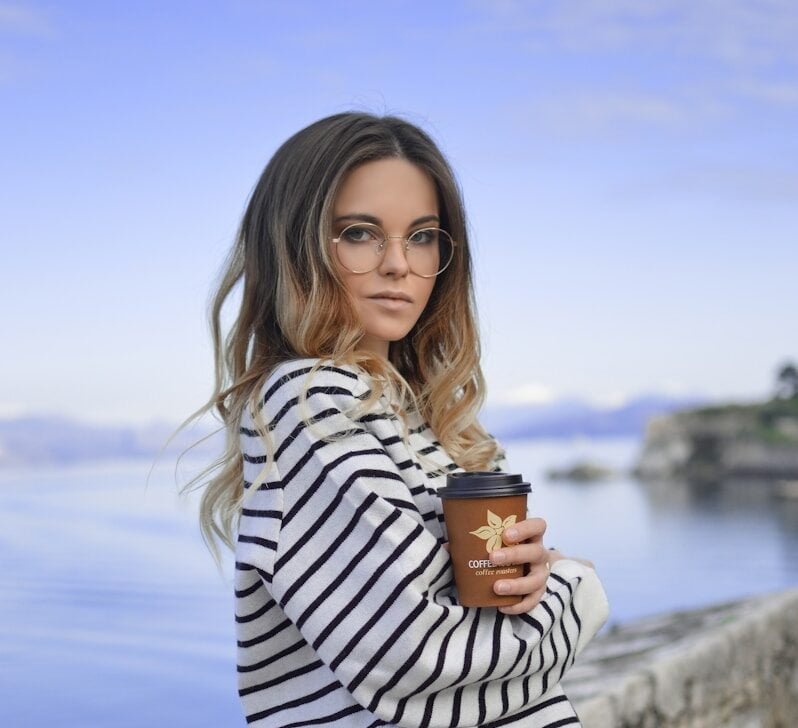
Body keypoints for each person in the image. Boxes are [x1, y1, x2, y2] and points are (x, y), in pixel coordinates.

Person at [182, 111, 609, 727]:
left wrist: (536, 581)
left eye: (422, 235)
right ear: (294, 247)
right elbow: (419, 659)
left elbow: (488, 624)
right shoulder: (309, 402)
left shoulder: (435, 417)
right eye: (359, 233)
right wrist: (579, 588)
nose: (397, 264)